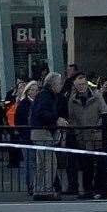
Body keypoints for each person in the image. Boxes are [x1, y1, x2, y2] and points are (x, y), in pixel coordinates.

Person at [64, 73, 107, 199]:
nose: (81, 87)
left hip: (97, 135)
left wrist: (98, 128)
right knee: (86, 166)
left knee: (100, 165)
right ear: (75, 86)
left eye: (83, 84)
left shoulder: (97, 96)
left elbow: (104, 113)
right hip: (82, 137)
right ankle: (87, 190)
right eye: (79, 85)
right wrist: (78, 133)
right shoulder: (72, 100)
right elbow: (72, 119)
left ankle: (100, 190)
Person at [29, 71, 68, 200]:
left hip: (37, 132)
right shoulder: (46, 96)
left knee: (42, 163)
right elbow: (42, 113)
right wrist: (56, 119)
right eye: (59, 83)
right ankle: (46, 189)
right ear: (53, 84)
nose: (61, 85)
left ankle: (38, 189)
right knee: (50, 163)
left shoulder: (43, 95)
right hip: (43, 132)